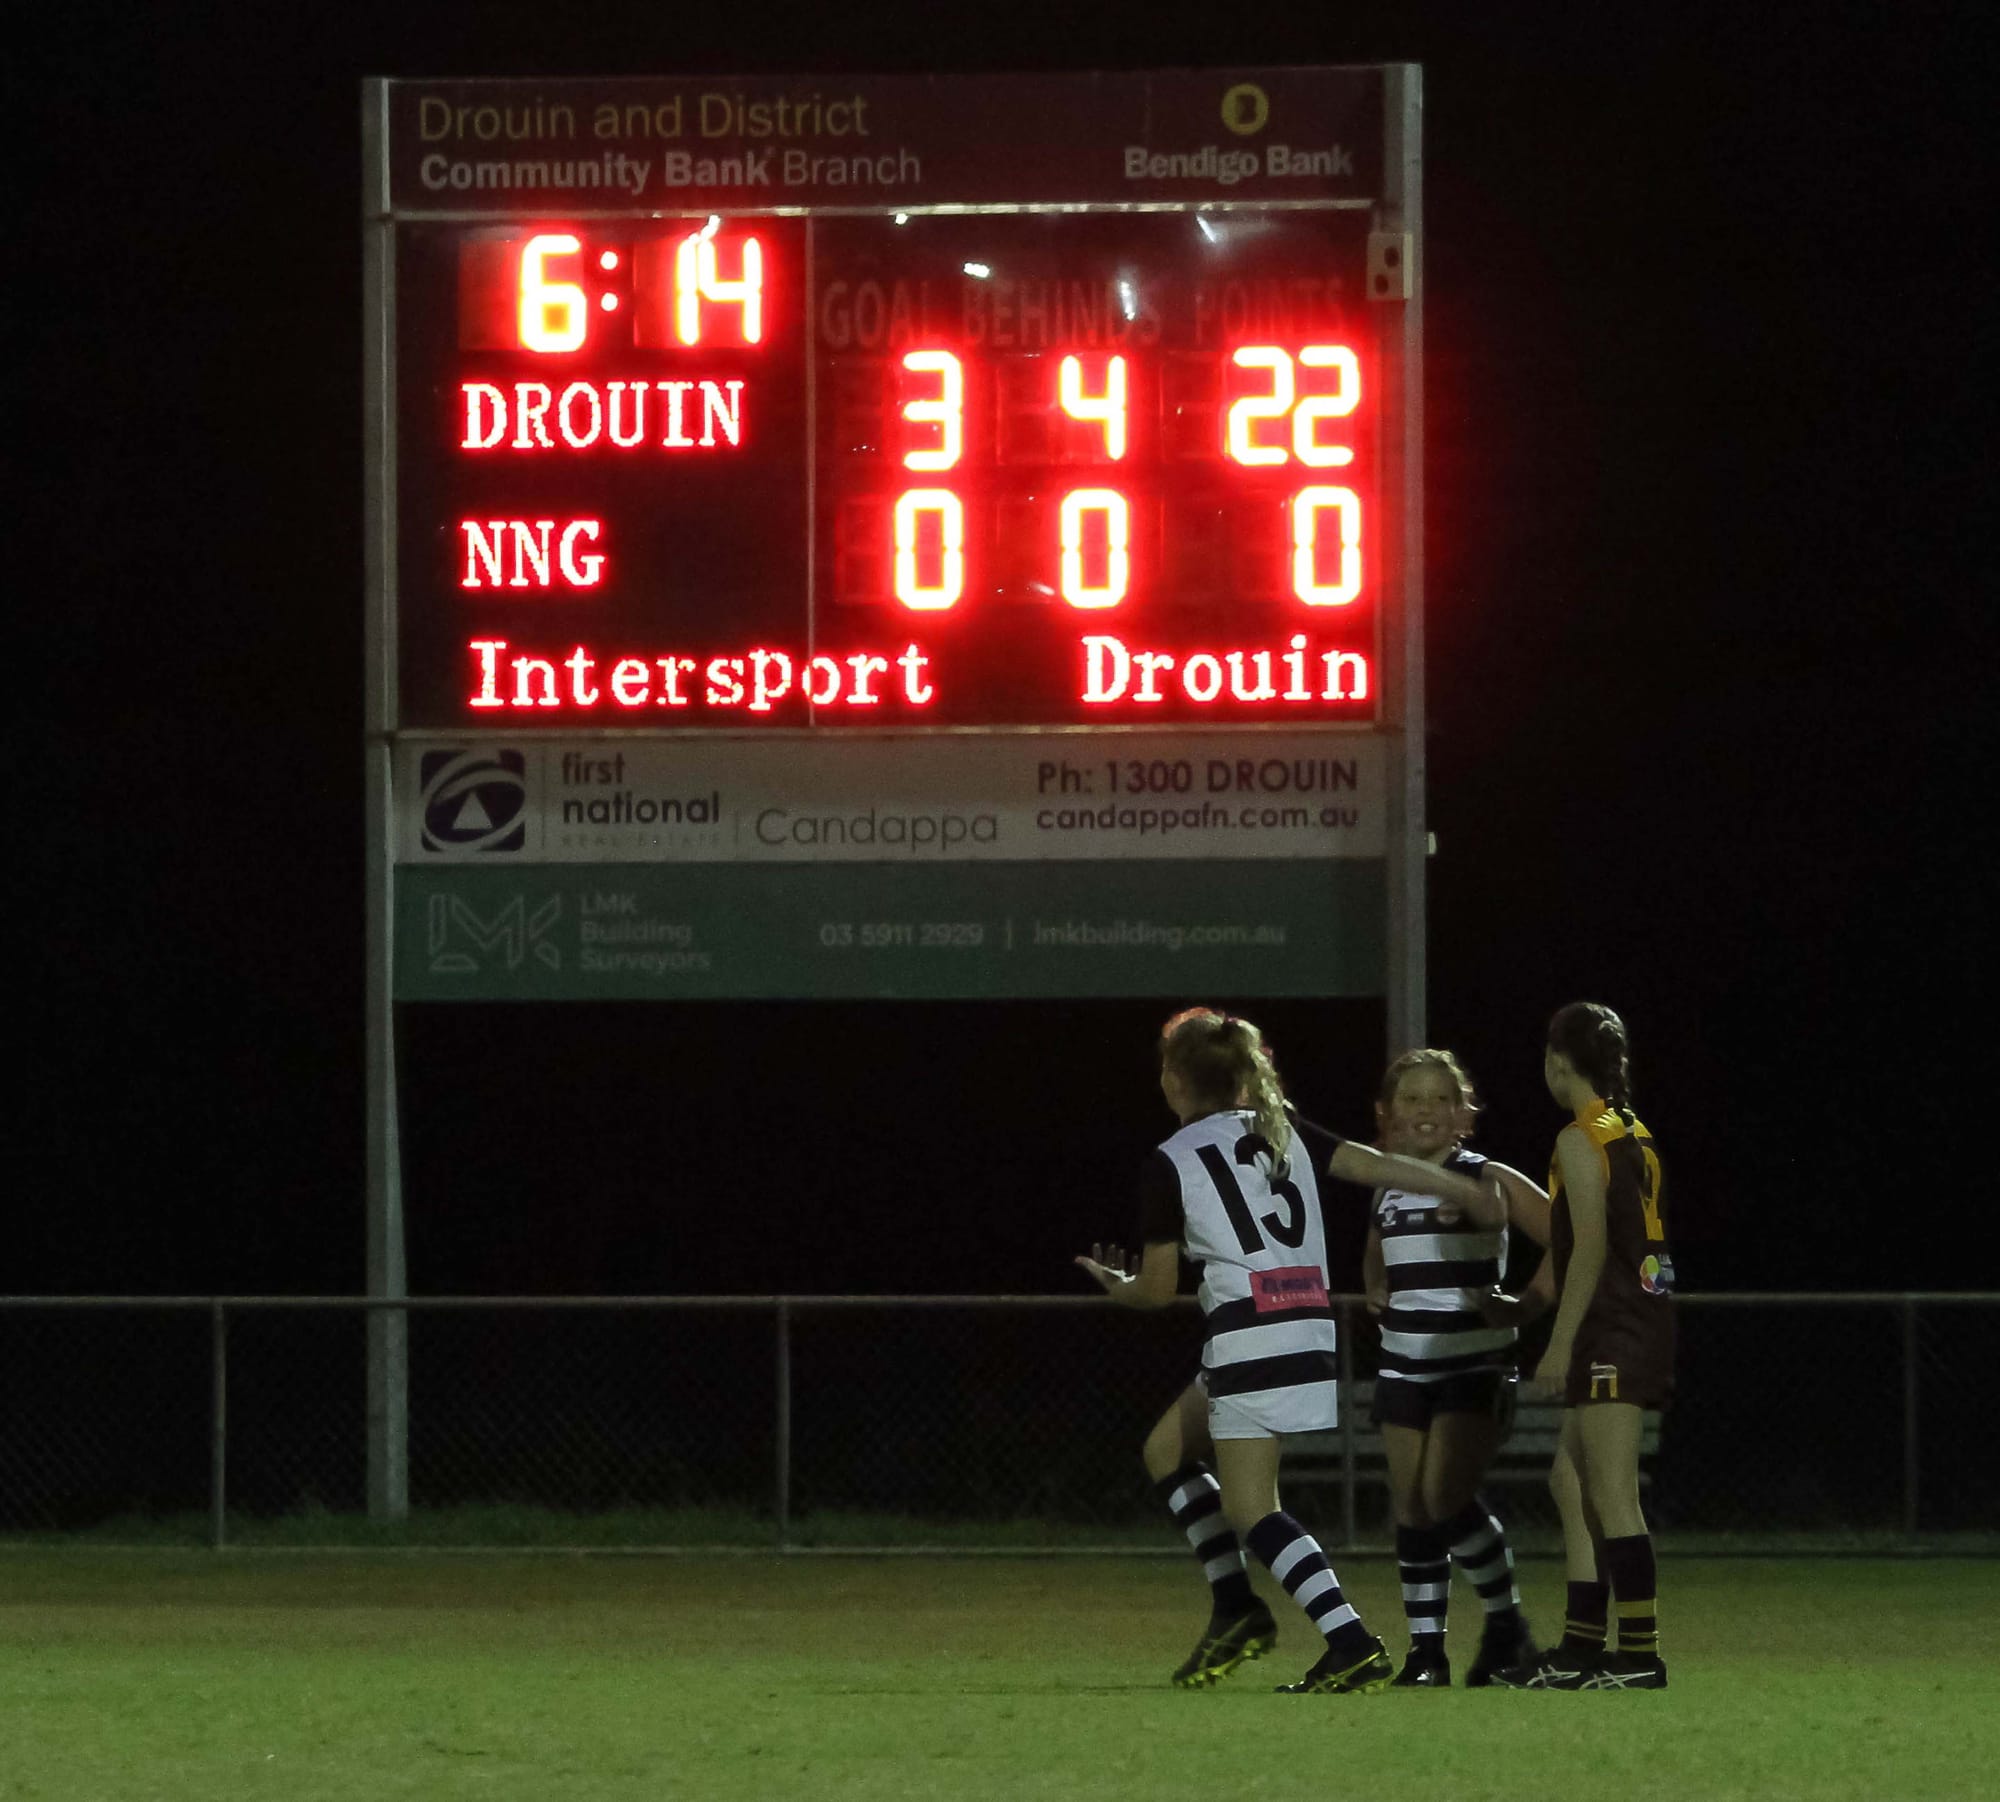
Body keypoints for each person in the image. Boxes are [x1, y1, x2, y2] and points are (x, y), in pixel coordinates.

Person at [1076, 1007, 1504, 1694]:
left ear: (1178, 1080)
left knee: (1253, 1509)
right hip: (1302, 1324)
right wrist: (1454, 1184)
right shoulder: (1282, 1129)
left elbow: (1157, 1290)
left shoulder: (1170, 1160)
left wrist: (1117, 1287)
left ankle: (1351, 1641)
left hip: (1250, 1334)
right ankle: (1236, 1608)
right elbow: (1371, 1165)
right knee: (1165, 1450)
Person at [1487, 1002, 1676, 1692]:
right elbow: (1583, 1241)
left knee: (1611, 1493)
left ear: (1556, 1062)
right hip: (1639, 1316)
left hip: (1612, 1328)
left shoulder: (1578, 1137)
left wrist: (1558, 1344)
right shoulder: (1629, 1129)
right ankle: (1579, 1649)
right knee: (1570, 1482)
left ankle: (1640, 1656)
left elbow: (1590, 1247)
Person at [1361, 1049, 1549, 1687]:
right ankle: (1426, 1655)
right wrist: (1376, 1286)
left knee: (1443, 1496)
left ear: (1464, 1113)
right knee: (1413, 1508)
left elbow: (1572, 1235)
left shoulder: (1484, 1175)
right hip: (1402, 1365)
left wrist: (1530, 1303)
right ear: (1388, 1114)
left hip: (1472, 1363)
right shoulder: (1386, 1180)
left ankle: (1507, 1626)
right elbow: (1376, 1256)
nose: (1426, 1111)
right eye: (1412, 1099)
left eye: (1441, 1099)